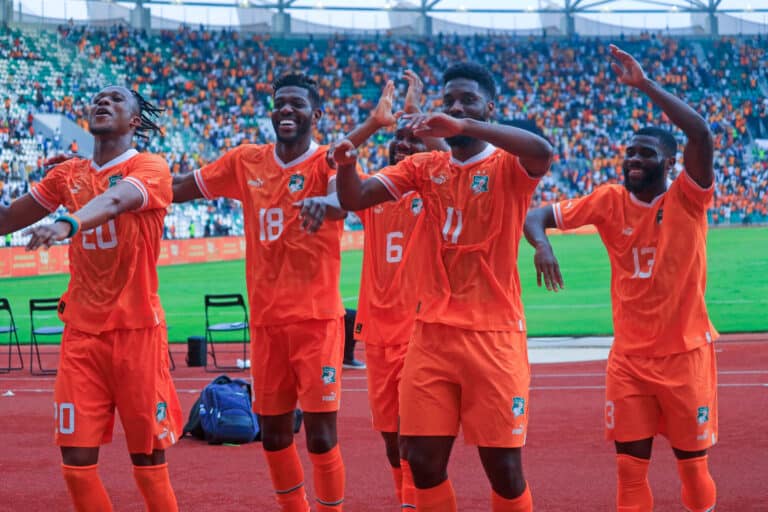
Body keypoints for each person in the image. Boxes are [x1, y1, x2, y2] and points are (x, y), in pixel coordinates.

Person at [332, 62, 553, 512]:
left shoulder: (509, 167)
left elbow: (543, 151)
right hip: (430, 336)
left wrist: (467, 124)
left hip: (492, 338)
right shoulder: (423, 166)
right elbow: (355, 197)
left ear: (490, 108)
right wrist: (346, 162)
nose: (454, 106)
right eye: (448, 99)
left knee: (505, 472)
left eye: (467, 99)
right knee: (420, 461)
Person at [523, 44, 718, 512]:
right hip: (629, 360)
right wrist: (543, 245)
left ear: (670, 164)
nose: (632, 158)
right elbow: (536, 215)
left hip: (684, 356)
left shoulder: (688, 198)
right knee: (630, 470)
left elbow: (700, 133)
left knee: (692, 467)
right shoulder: (609, 199)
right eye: (629, 152)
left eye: (645, 153)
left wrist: (645, 85)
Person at [0, 86, 182, 511]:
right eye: (98, 98)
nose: (103, 102)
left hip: (137, 333)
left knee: (148, 461)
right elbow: (9, 218)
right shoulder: (68, 175)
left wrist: (68, 224)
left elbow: (117, 199)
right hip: (82, 334)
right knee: (76, 464)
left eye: (116, 100)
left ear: (134, 120)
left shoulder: (150, 166)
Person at [172, 73, 348, 512]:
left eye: (297, 104)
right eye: (280, 104)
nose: (286, 110)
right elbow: (178, 188)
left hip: (317, 321)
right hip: (268, 323)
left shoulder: (329, 161)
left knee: (322, 437)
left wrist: (325, 204)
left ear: (317, 114)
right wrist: (122, 179)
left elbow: (343, 200)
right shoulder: (245, 161)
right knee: (273, 435)